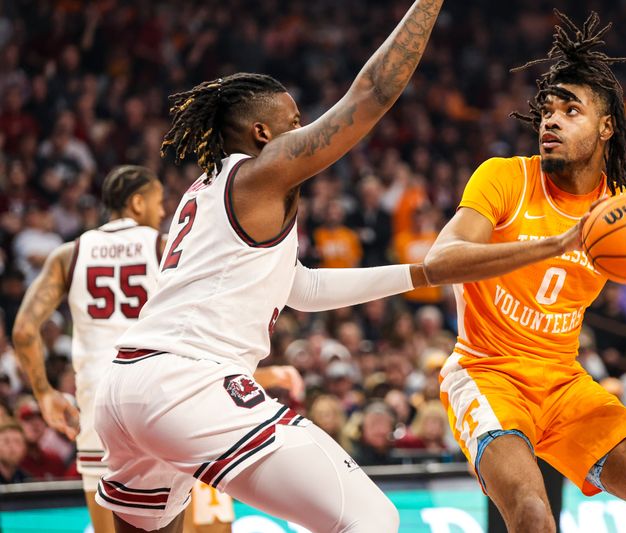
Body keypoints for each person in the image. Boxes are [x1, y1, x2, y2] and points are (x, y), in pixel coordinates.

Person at [92, 1, 443, 531]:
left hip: (124, 387)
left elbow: (302, 287)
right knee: (374, 520)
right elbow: (373, 93)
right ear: (262, 134)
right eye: (295, 123)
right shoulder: (260, 175)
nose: (303, 131)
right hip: (188, 385)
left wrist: (416, 275)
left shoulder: (204, 193)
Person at [424, 11, 626, 533]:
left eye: (571, 110)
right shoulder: (504, 178)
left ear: (607, 126)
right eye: (547, 109)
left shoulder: (622, 215)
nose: (551, 120)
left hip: (565, 385)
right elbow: (438, 262)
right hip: (486, 373)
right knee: (533, 515)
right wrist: (556, 244)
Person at [13, 166, 280, 533]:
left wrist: (44, 392)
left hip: (98, 397)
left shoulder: (68, 254)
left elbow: (25, 330)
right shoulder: (167, 245)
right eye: (157, 202)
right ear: (137, 202)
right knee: (183, 517)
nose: (160, 211)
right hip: (160, 390)